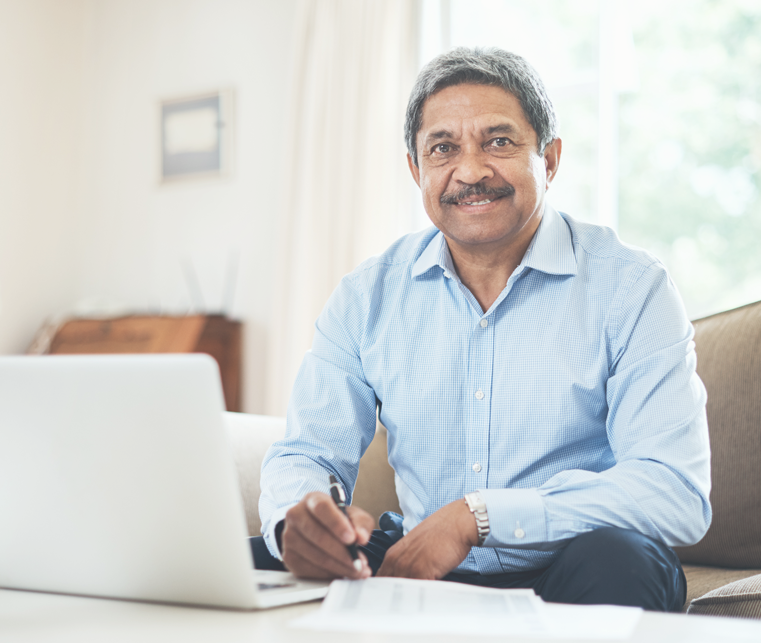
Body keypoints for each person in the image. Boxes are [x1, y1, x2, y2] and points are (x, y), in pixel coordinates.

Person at [253, 47, 711, 612]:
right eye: (443, 149)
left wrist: (479, 516)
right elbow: (306, 451)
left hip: (569, 564)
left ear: (550, 159)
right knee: (256, 559)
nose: (470, 172)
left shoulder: (632, 287)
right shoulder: (367, 296)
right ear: (416, 170)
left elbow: (675, 492)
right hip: (418, 564)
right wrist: (301, 518)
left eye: (498, 142)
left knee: (624, 563)